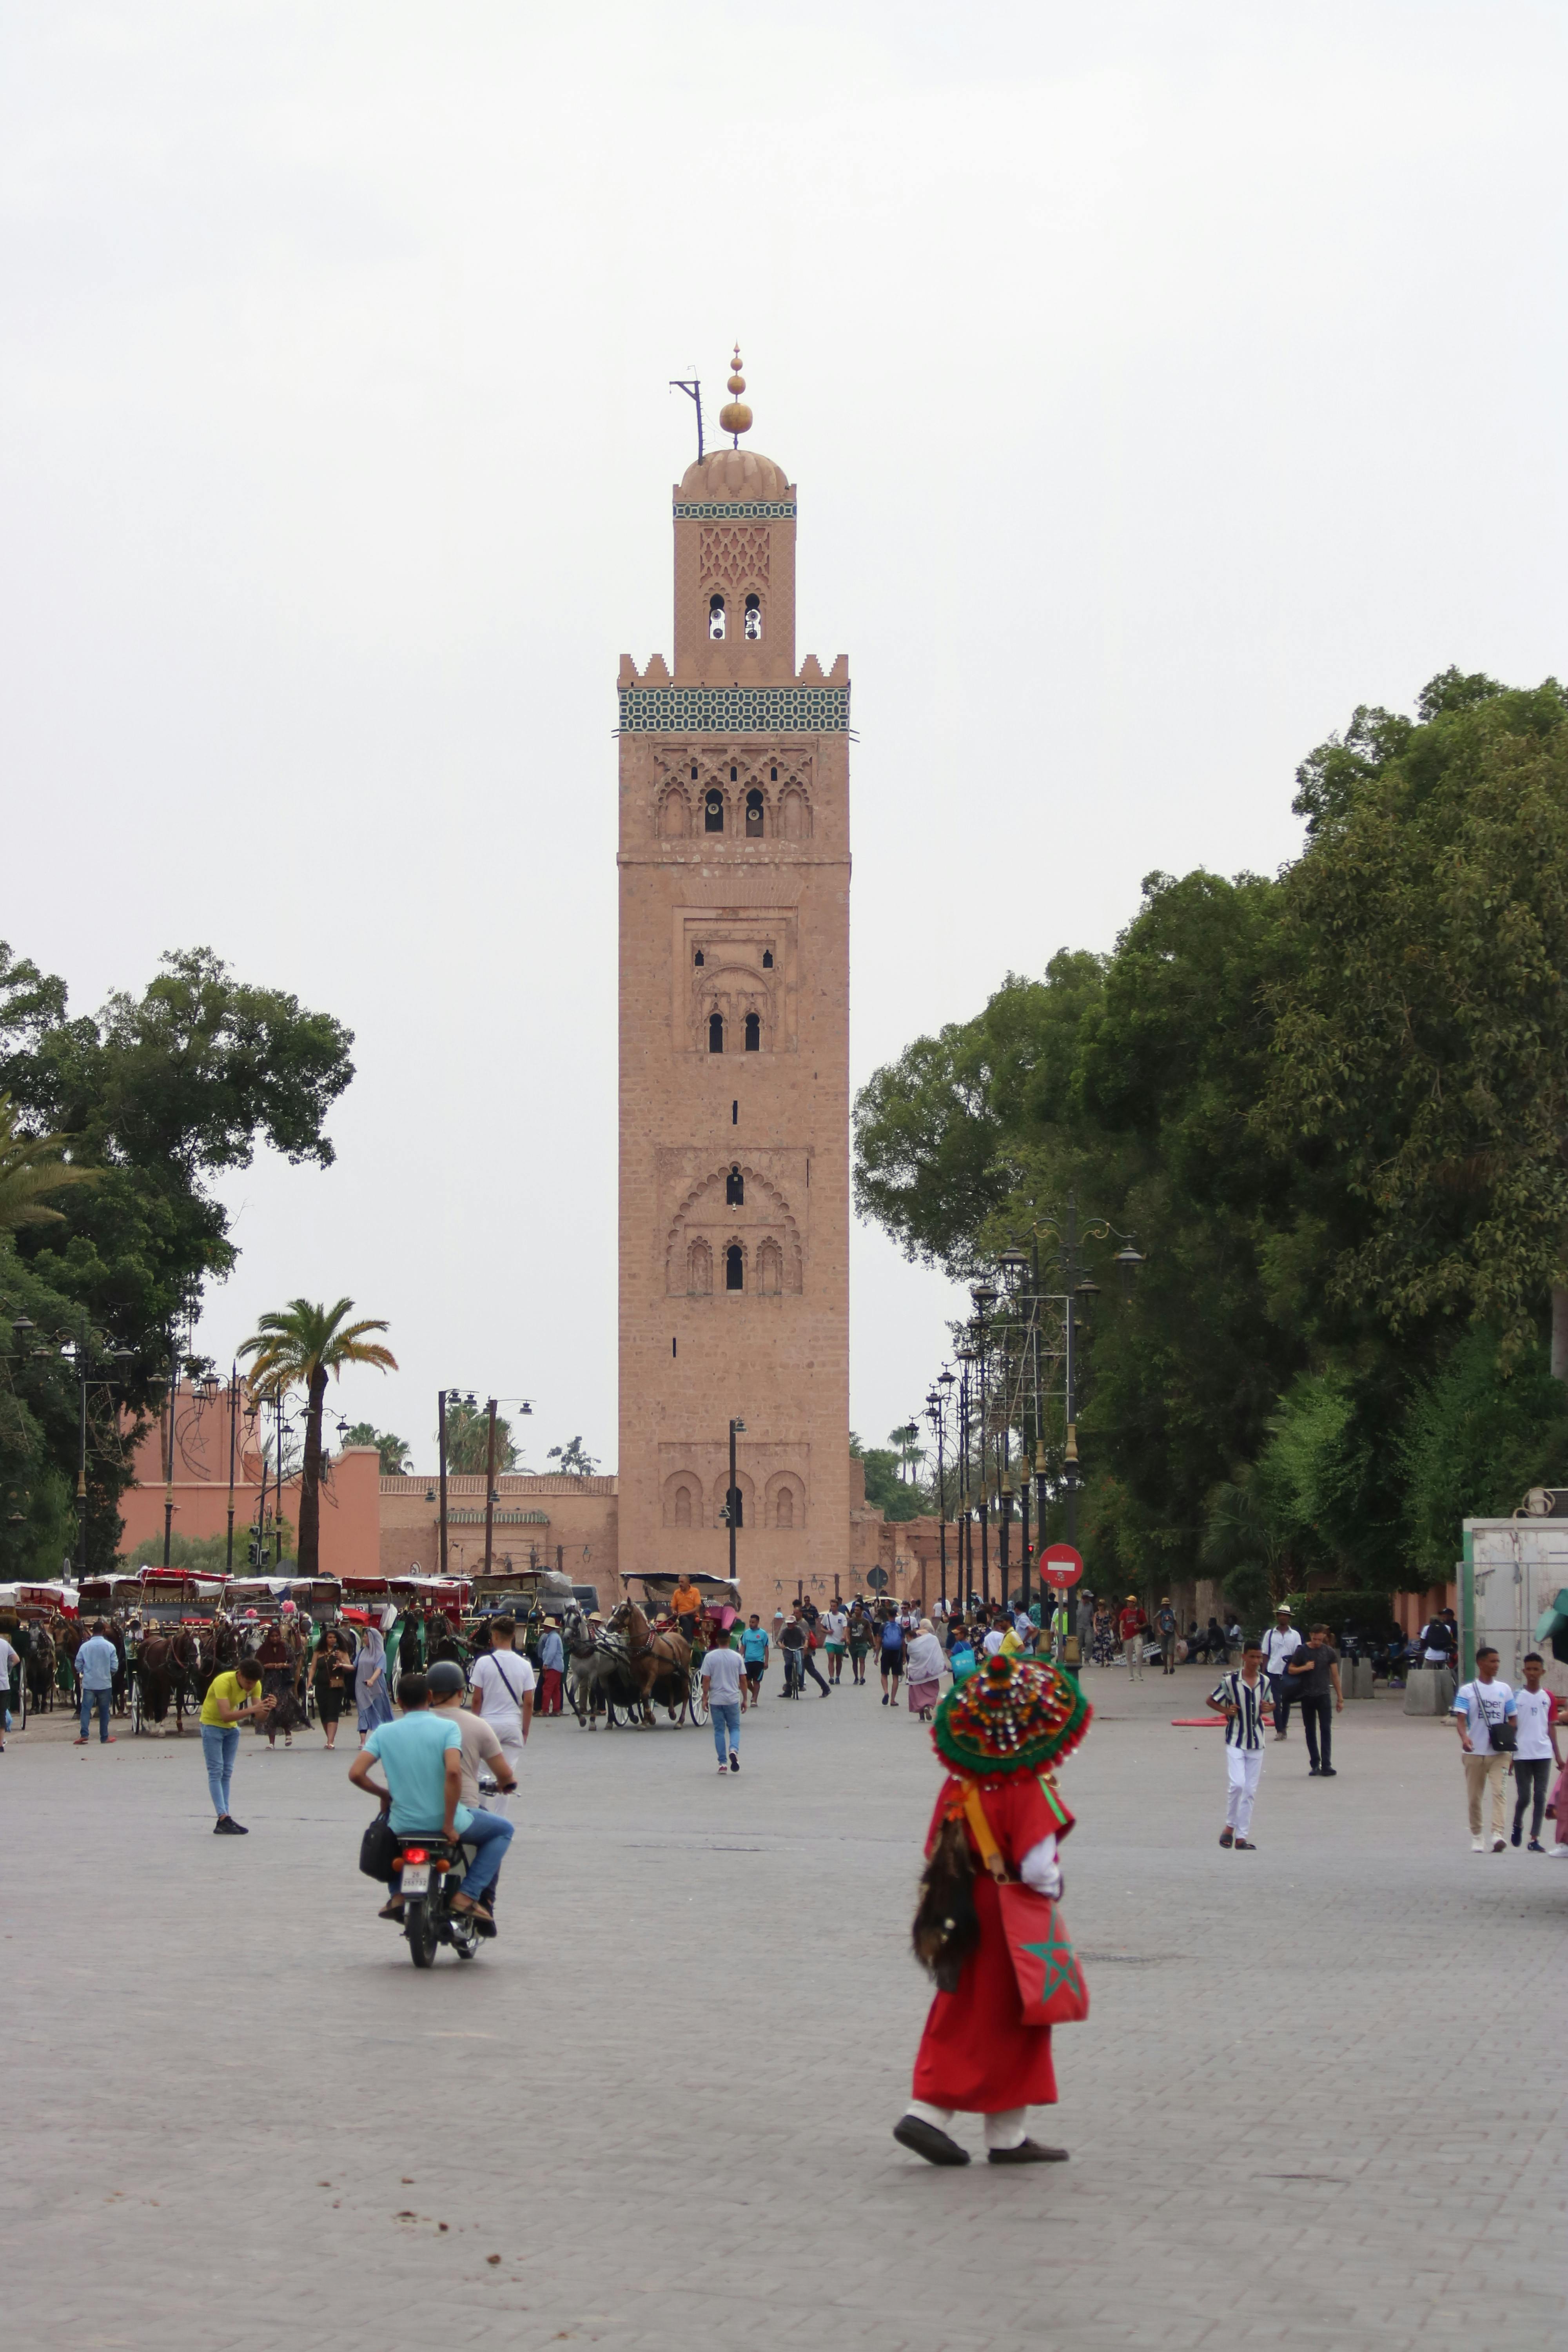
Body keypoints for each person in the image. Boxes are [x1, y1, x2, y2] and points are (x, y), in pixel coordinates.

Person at [894, 1653, 1092, 2166]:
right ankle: (935, 2116)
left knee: (959, 2008)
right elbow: (1039, 1869)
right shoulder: (1027, 1785)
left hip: (961, 1902)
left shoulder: (960, 1783)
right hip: (1012, 1913)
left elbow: (934, 1847)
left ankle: (997, 2131)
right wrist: (1053, 1889)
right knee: (1016, 2016)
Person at [348, 1672, 512, 1931]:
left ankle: (398, 1894)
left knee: (385, 1836)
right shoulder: (448, 1729)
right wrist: (448, 1824)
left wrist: (383, 1794)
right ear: (429, 1697)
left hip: (402, 1824)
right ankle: (467, 1895)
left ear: (399, 1701)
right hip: (447, 1820)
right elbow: (454, 1772)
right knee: (504, 1830)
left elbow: (356, 1774)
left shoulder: (384, 1732)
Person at [427, 1659, 517, 1906]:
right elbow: (505, 1774)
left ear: (430, 1694)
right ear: (461, 1692)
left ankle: (398, 1894)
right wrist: (506, 1784)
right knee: (502, 1830)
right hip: (462, 1811)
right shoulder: (477, 1725)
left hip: (416, 1812)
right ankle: (475, 1897)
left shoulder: (416, 1725)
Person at [466, 1616, 534, 1815]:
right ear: (513, 1636)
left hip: (488, 1725)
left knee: (483, 1776)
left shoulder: (483, 1663)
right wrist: (525, 1730)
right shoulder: (525, 1665)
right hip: (512, 1725)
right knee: (507, 1778)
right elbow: (528, 1702)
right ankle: (501, 1821)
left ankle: (479, 1819)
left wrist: (474, 1724)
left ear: (494, 1636)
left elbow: (477, 1700)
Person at [1453, 1647, 1517, 1852]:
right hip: (1474, 1753)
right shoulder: (1467, 1691)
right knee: (1475, 1797)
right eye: (1492, 1661)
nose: (1497, 1665)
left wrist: (1508, 1739)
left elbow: (1513, 1718)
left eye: (1498, 1661)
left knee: (1500, 1793)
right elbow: (1461, 1720)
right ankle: (1477, 1835)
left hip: (1499, 1753)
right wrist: (1465, 1738)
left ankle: (1498, 1834)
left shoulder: (1505, 1690)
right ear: (1481, 1664)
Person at [199, 1659, 274, 1834]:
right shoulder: (223, 1682)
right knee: (216, 1771)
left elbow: (259, 1718)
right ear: (239, 1675)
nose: (251, 1687)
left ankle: (225, 1817)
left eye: (254, 1683)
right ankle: (223, 1816)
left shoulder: (256, 1684)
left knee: (227, 1772)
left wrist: (267, 1708)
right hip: (212, 1725)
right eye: (248, 1683)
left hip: (232, 1730)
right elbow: (225, 1715)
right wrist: (254, 1709)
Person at [1212, 1639, 1270, 1848]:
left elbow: (1271, 1703)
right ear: (1244, 1657)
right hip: (1235, 1739)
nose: (1256, 1661)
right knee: (1237, 1784)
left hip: (1257, 1741)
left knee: (1250, 1790)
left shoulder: (1265, 1682)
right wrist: (1226, 1712)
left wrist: (1269, 1707)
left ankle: (1242, 1837)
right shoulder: (1231, 1681)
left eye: (1259, 1657)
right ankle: (1229, 1826)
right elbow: (1212, 1699)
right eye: (1252, 1657)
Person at [1510, 1652, 1561, 1851]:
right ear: (1524, 1671)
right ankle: (1518, 1824)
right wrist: (1510, 1756)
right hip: (1522, 1753)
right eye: (1529, 1669)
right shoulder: (1516, 1697)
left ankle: (1534, 1838)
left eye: (1536, 1670)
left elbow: (1551, 1727)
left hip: (1543, 1753)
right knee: (1524, 1797)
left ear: (1543, 1672)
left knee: (1540, 1796)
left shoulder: (1548, 1697)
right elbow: (1512, 1727)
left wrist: (1558, 1756)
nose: (1532, 1673)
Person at [1285, 1622, 1344, 1776]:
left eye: (1320, 1639)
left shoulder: (1329, 1652)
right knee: (1310, 1730)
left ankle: (1327, 1764)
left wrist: (1340, 1698)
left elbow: (1335, 1675)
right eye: (1315, 1639)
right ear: (1311, 1635)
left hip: (1324, 1695)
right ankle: (1315, 1764)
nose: (1318, 1642)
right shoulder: (1302, 1651)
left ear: (1324, 1637)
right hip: (1307, 1695)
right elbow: (1291, 1669)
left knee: (1326, 1729)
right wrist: (1304, 1668)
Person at [701, 1629, 746, 1771]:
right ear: (729, 1640)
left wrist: (704, 1698)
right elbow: (743, 1679)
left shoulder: (710, 1657)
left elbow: (706, 1679)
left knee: (719, 1731)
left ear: (717, 1641)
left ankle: (722, 1763)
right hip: (732, 1699)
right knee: (734, 1728)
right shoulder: (737, 1657)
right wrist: (745, 1699)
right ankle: (733, 1749)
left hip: (716, 1700)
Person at [73, 1620, 119, 1746]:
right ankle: (104, 1736)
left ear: (93, 1631)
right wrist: (109, 1673)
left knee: (86, 1709)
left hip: (89, 1683)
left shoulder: (85, 1647)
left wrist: (85, 1671)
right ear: (104, 1631)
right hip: (105, 1683)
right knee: (104, 1711)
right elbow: (115, 1666)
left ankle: (84, 1734)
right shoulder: (110, 1646)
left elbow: (78, 1664)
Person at [1262, 1605, 1302, 1739]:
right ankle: (1279, 1730)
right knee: (1276, 1703)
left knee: (1286, 1702)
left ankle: (1284, 1727)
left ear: (1289, 1618)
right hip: (1273, 1671)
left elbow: (1298, 1653)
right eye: (1280, 1615)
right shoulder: (1270, 1634)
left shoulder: (1295, 1635)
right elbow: (1266, 1654)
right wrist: (1263, 1673)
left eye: (1285, 1615)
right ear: (1277, 1617)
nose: (1283, 1617)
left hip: (1288, 1672)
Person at [313, 1631, 352, 1751]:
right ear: (325, 1639)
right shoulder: (318, 1653)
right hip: (321, 1686)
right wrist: (310, 1681)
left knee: (333, 1712)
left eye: (334, 1637)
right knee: (324, 1713)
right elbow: (313, 1668)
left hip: (337, 1687)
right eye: (330, 1637)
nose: (332, 1640)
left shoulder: (342, 1652)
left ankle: (330, 1741)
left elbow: (349, 1668)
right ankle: (329, 1738)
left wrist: (341, 1661)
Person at [354, 1626, 394, 1744]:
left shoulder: (381, 1654)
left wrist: (372, 1680)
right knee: (363, 1711)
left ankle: (380, 1737)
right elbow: (354, 1666)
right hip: (361, 1686)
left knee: (379, 1711)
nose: (364, 1639)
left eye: (365, 1637)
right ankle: (363, 1741)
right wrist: (342, 1665)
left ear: (372, 1639)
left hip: (377, 1688)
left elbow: (379, 1670)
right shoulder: (362, 1652)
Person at [906, 1619, 946, 1721]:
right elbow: (938, 1654)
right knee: (932, 1690)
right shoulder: (933, 1639)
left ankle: (922, 1716)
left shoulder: (915, 1637)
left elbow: (910, 1649)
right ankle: (928, 1706)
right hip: (931, 1672)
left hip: (917, 1671)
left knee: (918, 1693)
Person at [795, 1606, 831, 1696]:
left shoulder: (803, 1623)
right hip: (798, 1649)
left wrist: (806, 1648)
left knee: (811, 1670)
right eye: (794, 1613)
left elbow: (806, 1636)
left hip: (805, 1650)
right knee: (795, 1667)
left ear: (801, 1614)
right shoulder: (796, 1623)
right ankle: (793, 1687)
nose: (795, 1615)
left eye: (797, 1613)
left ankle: (826, 1688)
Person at [739, 1613, 769, 1708]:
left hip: (759, 1661)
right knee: (746, 1681)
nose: (751, 1624)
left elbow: (766, 1648)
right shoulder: (746, 1633)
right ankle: (754, 1692)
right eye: (750, 1622)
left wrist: (766, 1662)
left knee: (757, 1681)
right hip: (748, 1661)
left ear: (758, 1622)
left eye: (753, 1622)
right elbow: (743, 1647)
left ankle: (754, 1700)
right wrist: (739, 1658)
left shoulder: (763, 1634)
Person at [536, 1619, 565, 1718]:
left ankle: (545, 1710)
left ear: (550, 1628)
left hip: (553, 1666)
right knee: (556, 1689)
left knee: (547, 1688)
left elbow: (551, 1652)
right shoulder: (555, 1637)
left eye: (546, 1627)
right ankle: (556, 1710)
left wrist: (546, 1664)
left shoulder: (552, 1638)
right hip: (558, 1666)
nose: (545, 1628)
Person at [879, 1609, 907, 1707]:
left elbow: (879, 1641)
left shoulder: (883, 1626)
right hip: (897, 1653)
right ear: (896, 1615)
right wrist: (904, 1657)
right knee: (895, 1676)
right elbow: (903, 1643)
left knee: (884, 1674)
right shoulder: (900, 1627)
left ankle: (886, 1692)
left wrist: (876, 1654)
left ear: (888, 1614)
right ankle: (893, 1700)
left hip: (886, 1652)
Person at [1117, 1594, 1147, 1681]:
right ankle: (1131, 1675)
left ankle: (1139, 1673)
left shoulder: (1140, 1612)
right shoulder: (1125, 1612)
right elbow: (1122, 1624)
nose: (1128, 1603)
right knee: (1129, 1657)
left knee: (1139, 1653)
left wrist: (1140, 1627)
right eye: (1128, 1602)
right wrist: (1122, 1636)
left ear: (1134, 1603)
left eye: (1130, 1602)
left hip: (1137, 1635)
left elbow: (1146, 1623)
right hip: (1128, 1637)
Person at [670, 1575, 703, 1646]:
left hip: (692, 1616)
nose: (680, 1584)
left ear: (688, 1583)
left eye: (682, 1582)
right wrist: (674, 1611)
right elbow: (673, 1607)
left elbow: (697, 1608)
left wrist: (685, 1613)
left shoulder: (695, 1591)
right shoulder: (676, 1592)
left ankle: (688, 1642)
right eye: (679, 1582)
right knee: (682, 1619)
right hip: (680, 1616)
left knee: (685, 1620)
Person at [0, 1622, 18, 1747]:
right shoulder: (4, 1644)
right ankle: (1, 1744)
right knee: (1, 1714)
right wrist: (8, 1670)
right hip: (3, 1684)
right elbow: (16, 1659)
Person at [822, 1602, 848, 1684]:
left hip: (840, 1642)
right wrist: (827, 1631)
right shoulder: (827, 1616)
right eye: (831, 1606)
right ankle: (832, 1677)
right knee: (831, 1658)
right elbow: (822, 1628)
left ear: (837, 1607)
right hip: (830, 1641)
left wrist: (844, 1636)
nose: (833, 1608)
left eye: (834, 1606)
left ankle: (838, 1676)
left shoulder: (842, 1616)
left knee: (839, 1660)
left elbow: (845, 1628)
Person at [1154, 1597, 1178, 1677]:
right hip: (1164, 1634)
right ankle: (1165, 1668)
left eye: (1167, 1605)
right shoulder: (1161, 1613)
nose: (1166, 1606)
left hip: (1171, 1633)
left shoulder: (1173, 1612)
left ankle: (1171, 1667)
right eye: (1164, 1605)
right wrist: (1160, 1631)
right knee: (1164, 1652)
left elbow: (1176, 1624)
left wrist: (1179, 1634)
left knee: (1171, 1651)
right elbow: (1158, 1624)